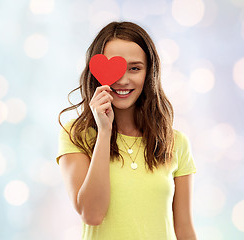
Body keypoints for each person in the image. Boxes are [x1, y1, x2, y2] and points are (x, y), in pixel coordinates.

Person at [56, 21, 197, 240]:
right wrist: (104, 132)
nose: (122, 80)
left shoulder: (175, 142)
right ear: (96, 73)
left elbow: (185, 230)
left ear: (149, 72)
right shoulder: (76, 135)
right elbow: (92, 214)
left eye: (134, 68)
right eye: (115, 68)